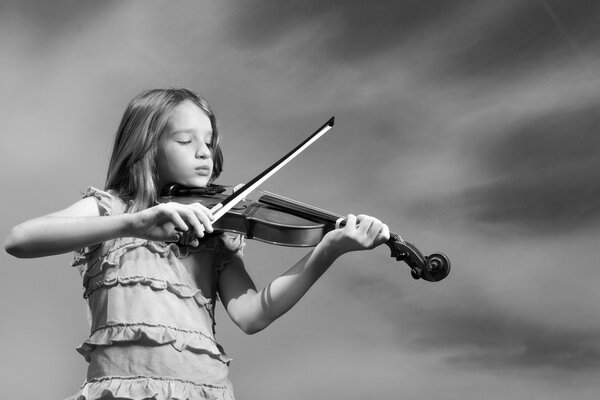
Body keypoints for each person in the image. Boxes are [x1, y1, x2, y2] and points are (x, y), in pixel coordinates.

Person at [5, 88, 390, 400]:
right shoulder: (111, 210)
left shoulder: (213, 234)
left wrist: (327, 250)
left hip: (205, 392)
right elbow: (20, 240)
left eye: (209, 141)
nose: (204, 152)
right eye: (186, 140)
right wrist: (136, 223)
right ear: (146, 148)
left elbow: (253, 315)